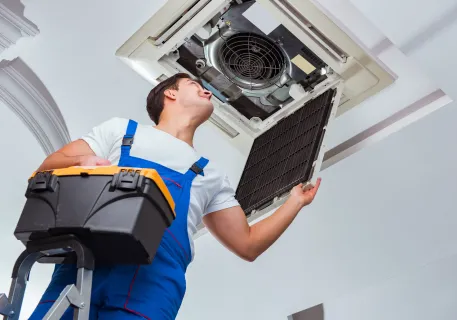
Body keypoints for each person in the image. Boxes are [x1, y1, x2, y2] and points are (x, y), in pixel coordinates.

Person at [29, 73, 321, 320]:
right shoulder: (121, 131)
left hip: (153, 285)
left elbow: (248, 244)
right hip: (83, 264)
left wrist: (295, 202)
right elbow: (46, 168)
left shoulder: (210, 174)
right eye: (195, 85)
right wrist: (84, 164)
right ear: (170, 93)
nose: (207, 90)